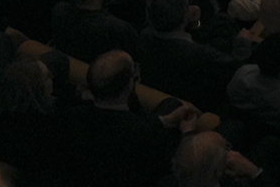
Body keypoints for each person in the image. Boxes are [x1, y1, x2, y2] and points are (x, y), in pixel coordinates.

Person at [58, 50, 199, 187]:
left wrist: (166, 119)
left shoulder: (71, 115)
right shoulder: (143, 135)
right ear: (129, 86)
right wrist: (188, 133)